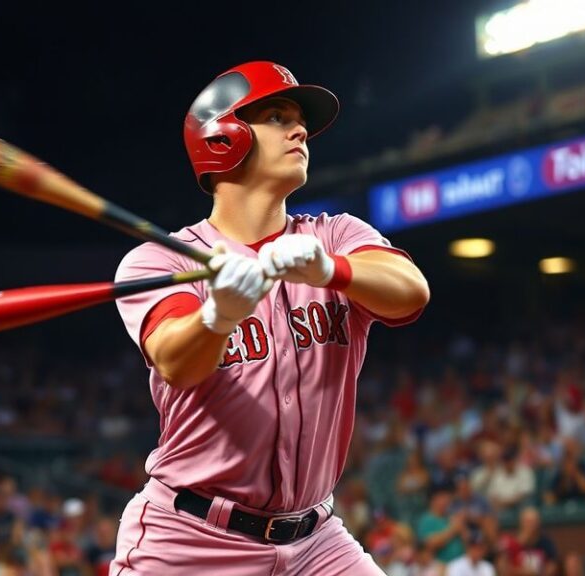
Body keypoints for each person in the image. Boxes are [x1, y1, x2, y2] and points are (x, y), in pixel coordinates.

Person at [113, 60, 430, 575]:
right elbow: (176, 360)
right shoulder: (164, 261)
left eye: (298, 120)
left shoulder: (335, 236)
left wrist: (332, 270)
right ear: (223, 137)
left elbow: (411, 293)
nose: (301, 129)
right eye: (278, 117)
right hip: (193, 542)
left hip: (316, 542)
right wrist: (217, 316)